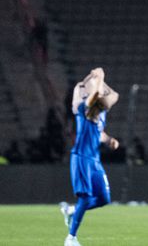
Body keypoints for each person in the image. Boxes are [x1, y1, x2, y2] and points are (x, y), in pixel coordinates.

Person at [58, 67, 120, 246]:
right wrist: (99, 79)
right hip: (81, 158)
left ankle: (71, 211)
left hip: (94, 160)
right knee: (85, 197)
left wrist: (109, 140)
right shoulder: (84, 107)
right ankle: (71, 238)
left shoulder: (100, 112)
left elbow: (99, 132)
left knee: (104, 199)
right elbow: (94, 98)